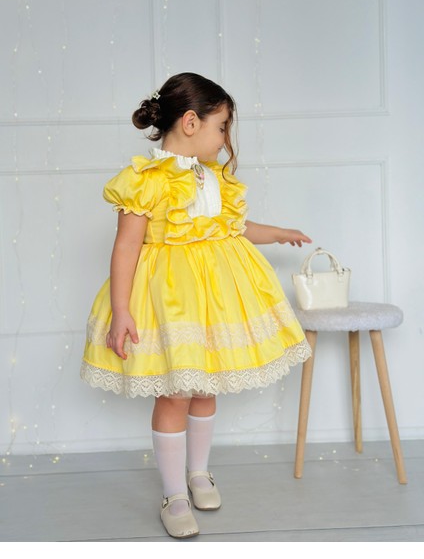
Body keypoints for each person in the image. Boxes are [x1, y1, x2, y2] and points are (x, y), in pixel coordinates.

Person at [81, 72, 312, 539]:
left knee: (206, 387)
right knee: (175, 392)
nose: (225, 138)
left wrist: (277, 233)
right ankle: (174, 494)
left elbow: (233, 227)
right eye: (221, 126)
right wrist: (122, 310)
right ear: (190, 122)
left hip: (216, 299)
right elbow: (126, 246)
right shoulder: (145, 180)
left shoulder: (213, 177)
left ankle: (199, 472)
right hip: (169, 302)